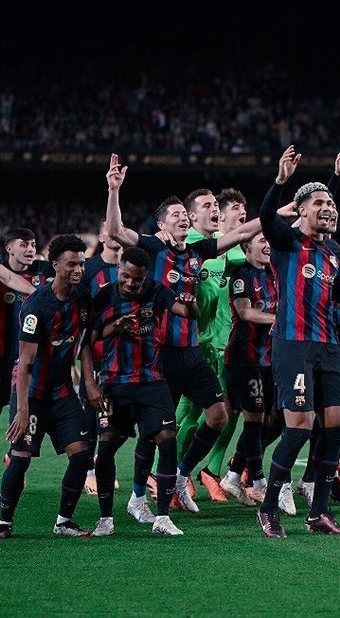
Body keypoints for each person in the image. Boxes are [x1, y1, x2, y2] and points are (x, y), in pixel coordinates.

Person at [104, 153, 256, 519]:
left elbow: (241, 233)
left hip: (192, 352)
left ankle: (181, 476)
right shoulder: (154, 249)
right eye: (176, 215)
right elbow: (115, 231)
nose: (183, 218)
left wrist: (283, 203)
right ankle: (139, 495)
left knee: (219, 416)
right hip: (161, 353)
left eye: (184, 215)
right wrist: (114, 190)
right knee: (157, 430)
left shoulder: (198, 252)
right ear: (161, 225)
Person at [256, 144, 340, 539]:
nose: (329, 209)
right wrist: (281, 181)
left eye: (332, 205)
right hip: (293, 344)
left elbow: (335, 293)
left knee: (335, 426)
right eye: (319, 204)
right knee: (299, 428)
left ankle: (318, 512)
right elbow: (269, 217)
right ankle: (268, 508)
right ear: (301, 211)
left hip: (329, 346)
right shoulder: (286, 243)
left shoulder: (332, 251)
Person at [0, 234, 104, 540]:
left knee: (82, 453)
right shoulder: (35, 306)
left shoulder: (82, 297)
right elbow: (25, 363)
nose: (78, 269)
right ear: (55, 264)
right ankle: (4, 522)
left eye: (81, 264)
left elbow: (84, 342)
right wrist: (22, 409)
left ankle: (63, 521)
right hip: (32, 393)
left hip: (62, 392)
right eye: (71, 263)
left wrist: (89, 382)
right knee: (20, 458)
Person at [89, 245, 198, 536]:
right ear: (118, 270)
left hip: (151, 380)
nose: (129, 283)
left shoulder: (156, 290)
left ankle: (163, 518)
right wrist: (116, 328)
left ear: (145, 276)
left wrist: (190, 303)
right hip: (115, 382)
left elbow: (187, 313)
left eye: (135, 279)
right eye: (124, 276)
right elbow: (90, 339)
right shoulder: (102, 296)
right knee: (108, 445)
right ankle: (105, 518)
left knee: (167, 438)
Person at [173, 187, 250, 504]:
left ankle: (200, 472)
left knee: (224, 411)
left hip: (223, 343)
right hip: (193, 344)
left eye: (219, 206)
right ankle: (169, 474)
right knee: (188, 416)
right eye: (213, 206)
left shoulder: (229, 251)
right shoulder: (188, 244)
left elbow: (253, 260)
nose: (218, 211)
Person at [220, 229, 279, 506]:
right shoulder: (241, 275)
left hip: (268, 359)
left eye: (269, 241)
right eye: (262, 241)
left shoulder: (273, 274)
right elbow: (245, 312)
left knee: (269, 421)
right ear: (246, 247)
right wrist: (278, 319)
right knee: (254, 419)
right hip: (244, 358)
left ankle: (232, 476)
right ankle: (257, 480)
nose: (267, 246)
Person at [80, 220, 122, 494]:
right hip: (95, 352)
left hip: (123, 354)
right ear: (101, 235)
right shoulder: (89, 269)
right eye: (109, 228)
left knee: (114, 415)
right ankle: (88, 469)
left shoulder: (130, 266)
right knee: (91, 410)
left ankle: (101, 464)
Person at [0, 228, 52, 422]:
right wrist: (40, 297)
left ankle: (16, 453)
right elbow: (10, 278)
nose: (30, 249)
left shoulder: (45, 270)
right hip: (2, 356)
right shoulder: (1, 270)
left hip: (30, 360)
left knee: (26, 414)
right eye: (23, 245)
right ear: (9, 248)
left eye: (33, 245)